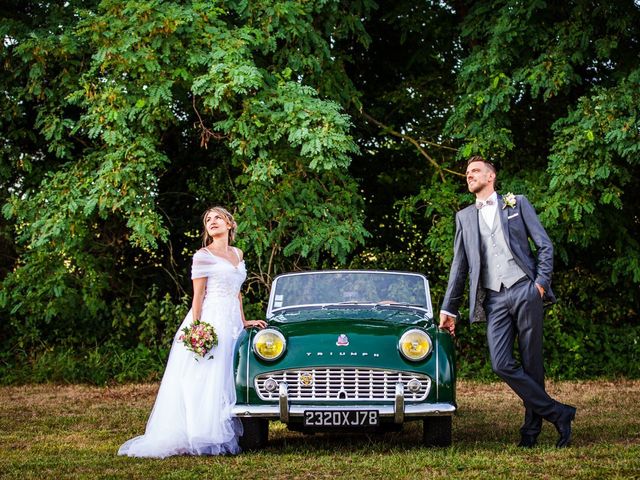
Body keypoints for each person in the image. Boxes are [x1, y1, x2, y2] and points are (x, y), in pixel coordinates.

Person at [439, 156, 576, 448]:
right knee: (501, 363)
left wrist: (539, 284)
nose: (468, 176)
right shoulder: (464, 217)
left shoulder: (517, 203)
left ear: (491, 177)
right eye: (466, 173)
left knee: (532, 364)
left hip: (525, 289)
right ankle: (559, 413)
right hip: (494, 299)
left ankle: (530, 433)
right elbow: (459, 267)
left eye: (475, 171)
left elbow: (544, 245)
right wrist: (449, 307)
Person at [118, 206, 267, 458]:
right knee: (207, 375)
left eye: (218, 217)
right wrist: (197, 329)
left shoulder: (238, 254)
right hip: (212, 319)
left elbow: (237, 292)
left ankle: (230, 429)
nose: (212, 222)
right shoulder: (202, 256)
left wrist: (243, 322)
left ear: (230, 224)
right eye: (208, 220)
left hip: (232, 321)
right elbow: (198, 296)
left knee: (229, 375)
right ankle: (202, 433)